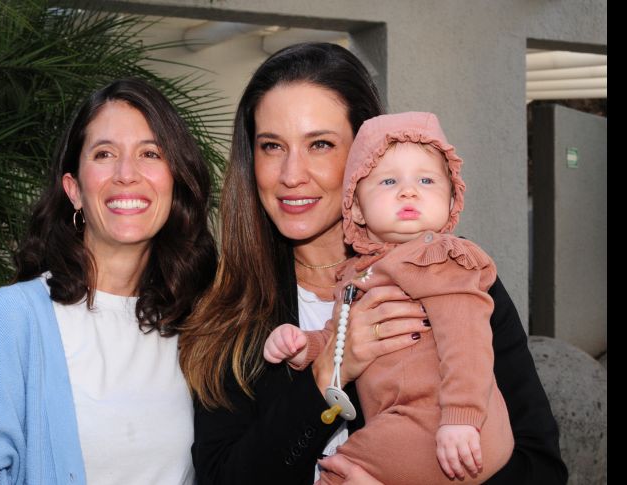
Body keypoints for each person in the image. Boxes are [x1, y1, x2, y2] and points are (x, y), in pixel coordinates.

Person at [178, 43, 567, 485]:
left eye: (320, 144)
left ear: (369, 153)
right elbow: (223, 477)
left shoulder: (452, 269)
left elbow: (541, 467)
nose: (290, 174)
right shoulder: (226, 307)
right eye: (272, 146)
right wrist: (328, 370)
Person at [0, 78, 217, 484]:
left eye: (150, 153)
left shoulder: (202, 321)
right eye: (104, 153)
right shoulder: (9, 321)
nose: (126, 174)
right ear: (74, 190)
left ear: (175, 182)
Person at [264, 111, 514, 484]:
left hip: (447, 425)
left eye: (427, 180)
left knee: (337, 469)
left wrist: (460, 417)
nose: (409, 191)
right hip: (413, 425)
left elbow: (467, 339)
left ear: (451, 201)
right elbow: (340, 335)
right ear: (358, 208)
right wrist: (306, 347)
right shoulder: (360, 273)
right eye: (388, 181)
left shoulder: (441, 258)